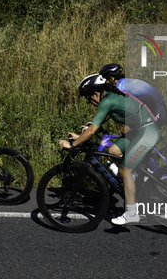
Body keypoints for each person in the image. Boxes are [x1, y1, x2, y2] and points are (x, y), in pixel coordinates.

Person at [60, 74, 161, 225]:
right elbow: (97, 123)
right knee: (113, 151)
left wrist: (72, 145)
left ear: (95, 93)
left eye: (89, 99)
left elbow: (91, 131)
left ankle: (131, 213)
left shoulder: (106, 101)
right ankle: (137, 179)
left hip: (147, 132)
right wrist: (81, 135)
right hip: (139, 130)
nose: (90, 103)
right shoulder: (111, 97)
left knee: (124, 170)